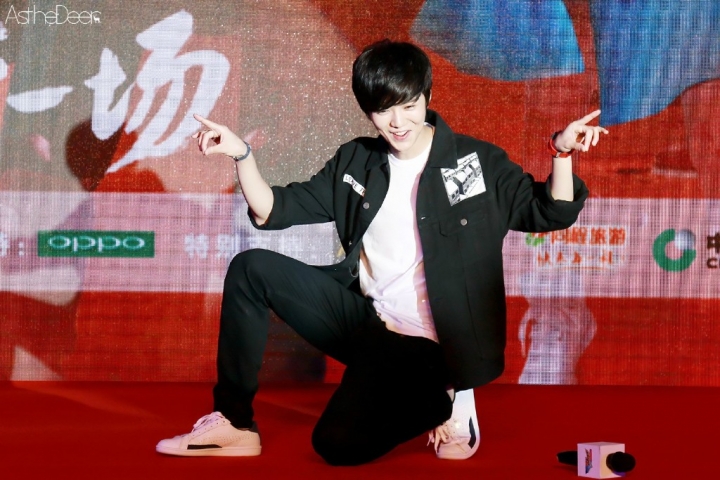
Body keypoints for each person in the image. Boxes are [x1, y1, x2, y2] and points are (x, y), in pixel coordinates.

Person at [156, 39, 607, 465]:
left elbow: (550, 212)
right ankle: (234, 423)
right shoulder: (357, 161)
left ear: (427, 98)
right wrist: (242, 155)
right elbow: (274, 208)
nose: (398, 122)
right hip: (368, 327)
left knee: (334, 445)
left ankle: (445, 395)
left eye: (409, 106)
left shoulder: (475, 162)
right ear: (368, 111)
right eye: (384, 110)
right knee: (250, 267)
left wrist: (561, 153)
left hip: (432, 350)